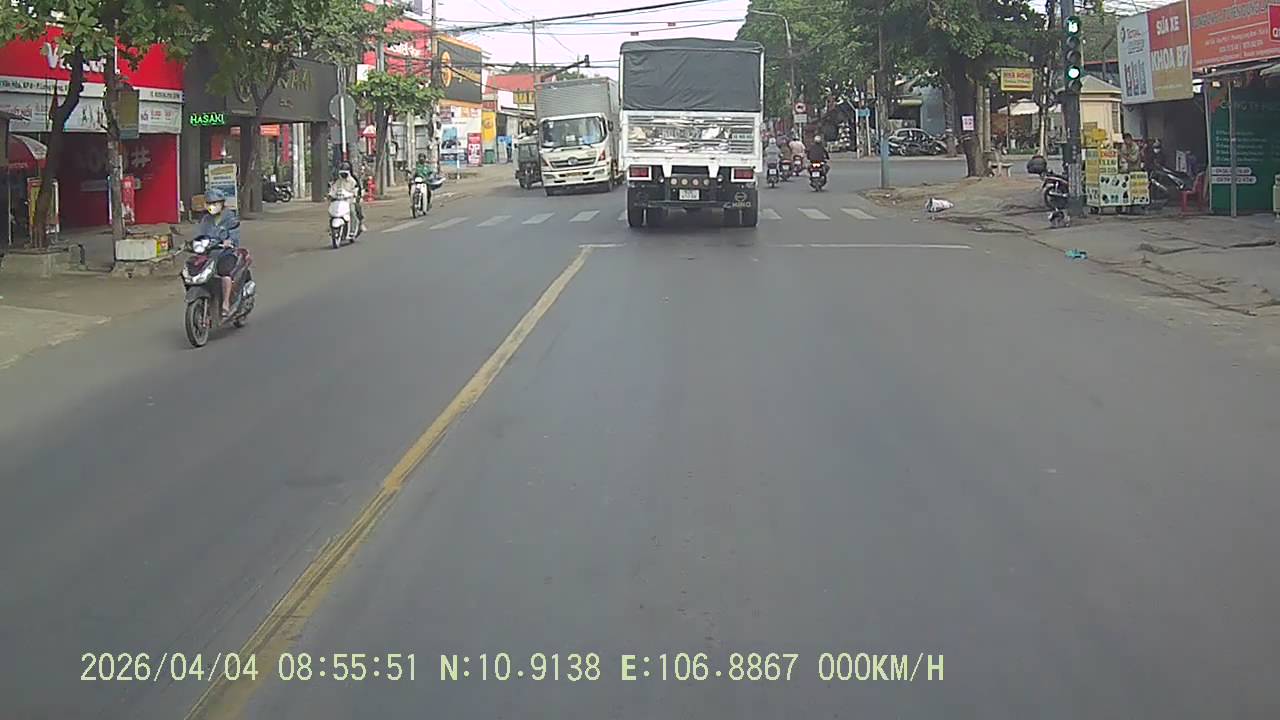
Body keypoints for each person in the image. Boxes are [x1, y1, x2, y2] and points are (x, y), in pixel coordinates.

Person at [196, 188, 242, 318]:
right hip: (209, 254)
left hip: (226, 253)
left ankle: (226, 303)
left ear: (222, 203)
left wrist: (229, 241)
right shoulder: (206, 219)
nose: (212, 206)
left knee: (224, 273)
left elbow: (234, 234)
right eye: (209, 203)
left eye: (215, 203)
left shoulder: (230, 217)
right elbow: (200, 236)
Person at [329, 160, 363, 234]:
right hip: (339, 201)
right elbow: (333, 189)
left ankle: (352, 230)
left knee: (352, 212)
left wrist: (355, 195)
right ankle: (332, 229)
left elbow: (357, 190)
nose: (343, 175)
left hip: (349, 201)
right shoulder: (338, 181)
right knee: (332, 212)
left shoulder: (353, 181)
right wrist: (331, 194)